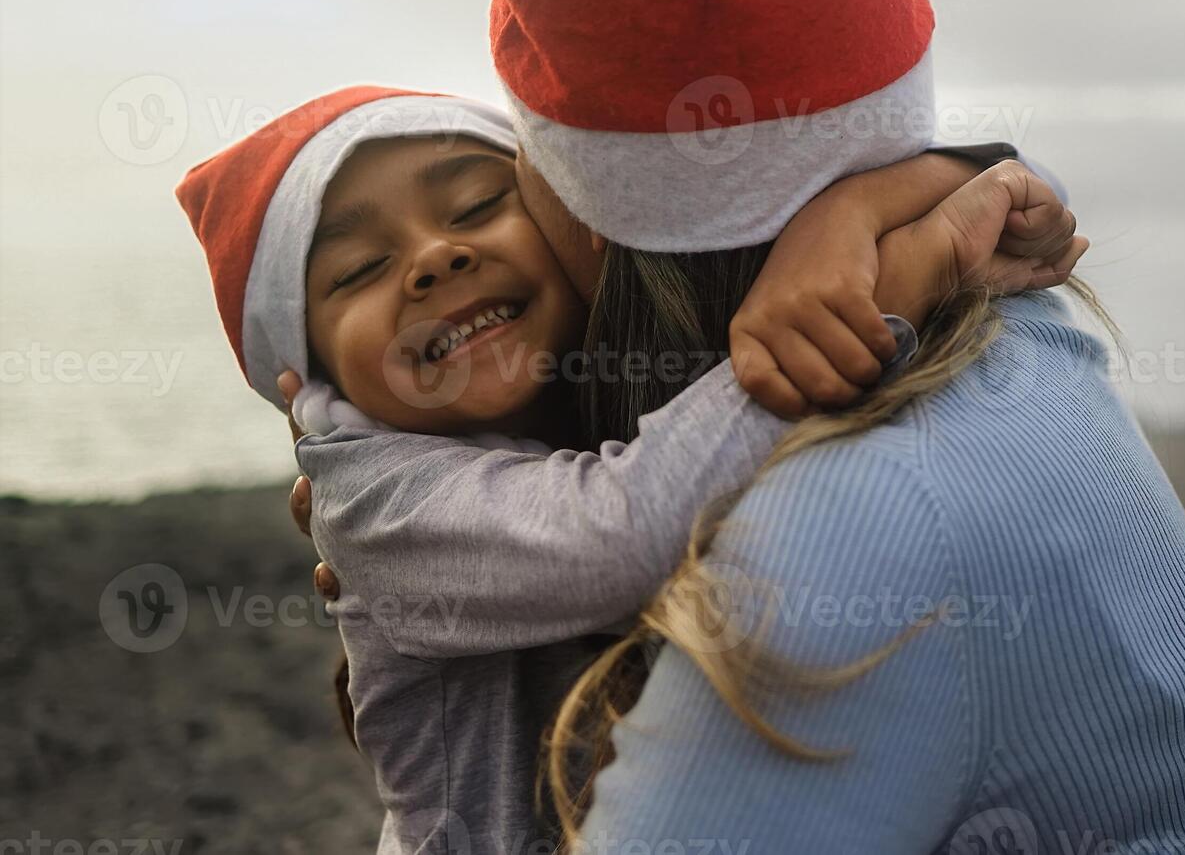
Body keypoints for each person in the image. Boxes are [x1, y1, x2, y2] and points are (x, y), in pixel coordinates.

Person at [174, 85, 1086, 854]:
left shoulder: (607, 387)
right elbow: (625, 534)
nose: (435, 257)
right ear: (308, 373)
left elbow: (977, 185)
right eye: (362, 267)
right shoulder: (377, 501)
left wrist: (889, 203)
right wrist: (889, 283)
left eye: (478, 207)